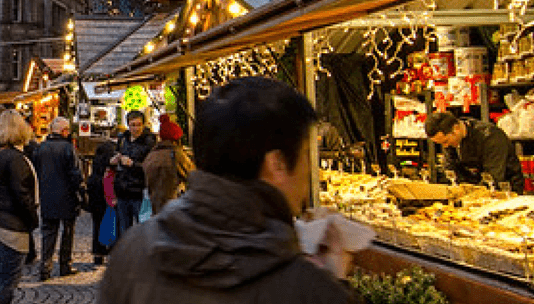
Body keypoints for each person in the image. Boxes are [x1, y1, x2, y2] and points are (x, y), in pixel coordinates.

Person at [99, 77, 352, 303]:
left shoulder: (133, 251)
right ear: (277, 164)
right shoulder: (307, 289)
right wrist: (334, 278)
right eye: (307, 156)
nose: (309, 173)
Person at [0, 110, 39, 304]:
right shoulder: (13, 158)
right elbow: (21, 195)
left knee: (3, 277)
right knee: (7, 281)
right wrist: (32, 219)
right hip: (11, 225)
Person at [30, 117, 84, 280]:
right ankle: (64, 265)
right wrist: (81, 191)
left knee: (48, 232)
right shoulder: (68, 148)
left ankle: (45, 267)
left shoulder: (41, 148)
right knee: (67, 232)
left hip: (47, 196)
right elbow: (75, 173)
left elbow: (35, 171)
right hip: (67, 196)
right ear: (64, 131)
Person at [425, 112, 523, 192]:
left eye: (445, 141)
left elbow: (493, 177)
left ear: (456, 129)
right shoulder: (451, 140)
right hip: (476, 189)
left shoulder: (490, 137)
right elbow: (450, 168)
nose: (445, 146)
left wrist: (471, 193)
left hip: (506, 190)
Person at [112, 111, 154, 235]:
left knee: (143, 227)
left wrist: (133, 164)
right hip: (122, 189)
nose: (136, 128)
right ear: (128, 125)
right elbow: (117, 154)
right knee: (124, 229)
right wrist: (115, 159)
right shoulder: (123, 139)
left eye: (139, 125)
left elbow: (150, 165)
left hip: (139, 191)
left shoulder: (149, 141)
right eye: (133, 125)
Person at [143, 115, 194, 214]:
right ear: (176, 138)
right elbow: (192, 174)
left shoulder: (151, 155)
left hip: (155, 206)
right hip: (174, 205)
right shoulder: (176, 155)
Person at [86, 140, 116, 265]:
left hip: (95, 199)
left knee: (97, 226)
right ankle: (110, 252)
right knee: (110, 225)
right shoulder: (110, 166)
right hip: (107, 199)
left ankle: (98, 254)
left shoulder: (95, 165)